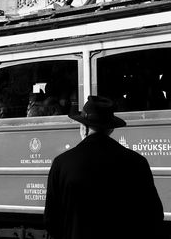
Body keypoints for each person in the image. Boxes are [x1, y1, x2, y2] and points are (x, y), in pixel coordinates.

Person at [44, 95, 164, 239]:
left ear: (84, 128)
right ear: (111, 129)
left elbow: (51, 221)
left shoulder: (61, 164)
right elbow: (154, 217)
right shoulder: (137, 162)